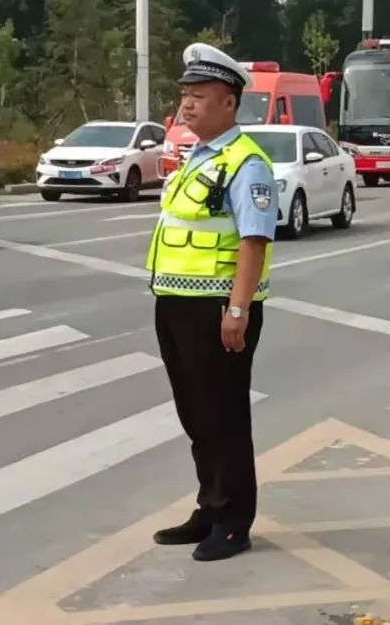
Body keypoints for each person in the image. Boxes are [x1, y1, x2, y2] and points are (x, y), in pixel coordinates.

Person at [145, 42, 278, 561]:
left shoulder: (247, 163)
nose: (187, 105)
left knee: (224, 414)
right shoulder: (196, 160)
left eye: (199, 96)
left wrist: (238, 310)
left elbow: (253, 240)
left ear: (228, 102)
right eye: (185, 97)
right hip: (176, 304)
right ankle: (209, 505)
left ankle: (233, 521)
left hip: (219, 310)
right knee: (195, 413)